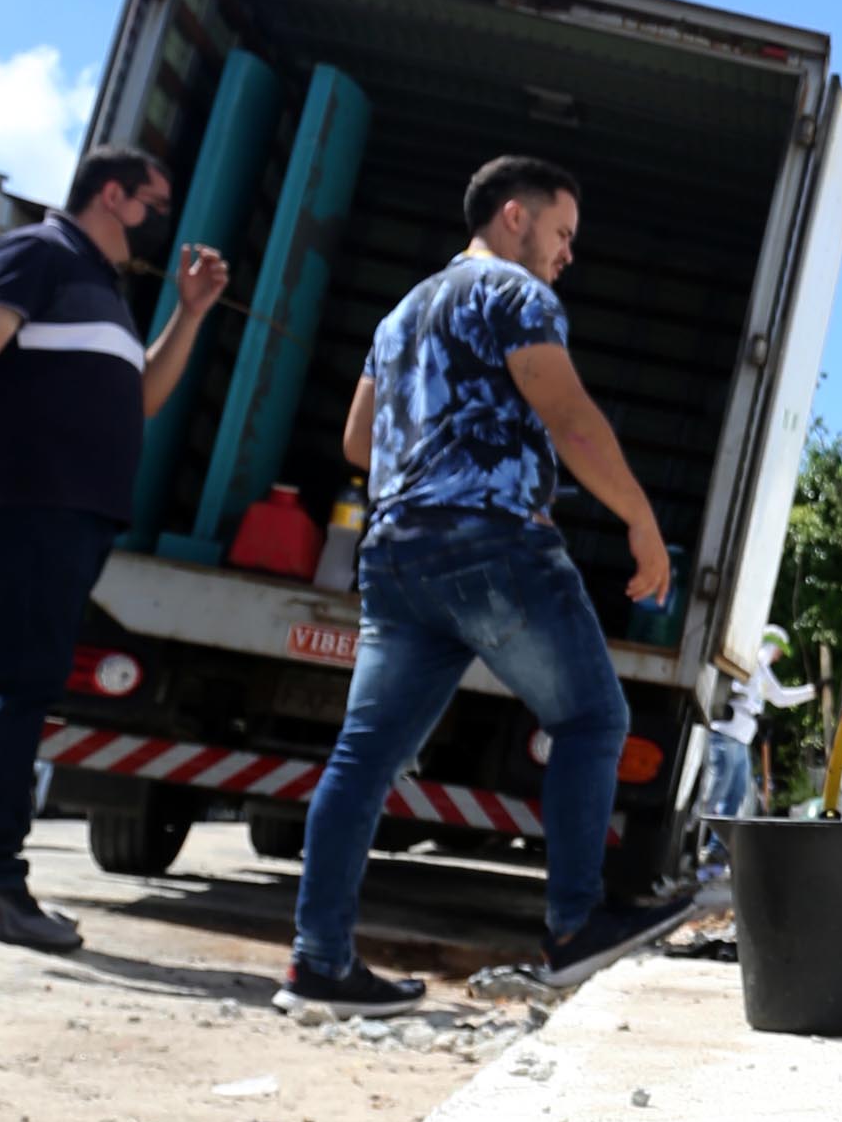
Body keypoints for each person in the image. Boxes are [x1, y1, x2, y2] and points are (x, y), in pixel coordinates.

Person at [283, 155, 672, 1009]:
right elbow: (568, 416)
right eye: (563, 233)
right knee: (591, 717)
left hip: (395, 553)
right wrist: (642, 521)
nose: (568, 255)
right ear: (513, 217)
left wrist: (437, 441)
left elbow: (359, 442)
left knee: (365, 758)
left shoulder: (400, 315)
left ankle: (318, 962)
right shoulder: (515, 295)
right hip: (490, 542)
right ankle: (574, 927)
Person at [0, 147, 229, 951]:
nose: (163, 224)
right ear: (113, 195)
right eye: (156, 206)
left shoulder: (105, 294)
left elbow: (142, 401)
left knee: (1, 678)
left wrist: (188, 313)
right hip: (29, 507)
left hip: (74, 516)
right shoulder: (39, 254)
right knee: (19, 685)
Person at [700, 619, 811, 862]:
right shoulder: (753, 663)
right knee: (717, 791)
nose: (779, 657)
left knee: (736, 793)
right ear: (773, 646)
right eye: (780, 651)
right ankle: (693, 837)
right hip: (726, 735)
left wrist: (812, 691)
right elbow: (741, 694)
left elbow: (778, 698)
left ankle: (717, 847)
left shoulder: (761, 670)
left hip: (740, 739)